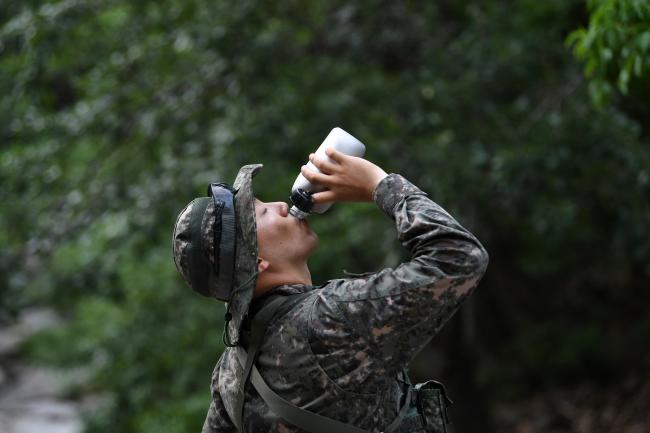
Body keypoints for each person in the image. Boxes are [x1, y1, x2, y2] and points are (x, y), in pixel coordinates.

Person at [172, 147, 489, 433]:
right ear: (257, 262)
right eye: (264, 212)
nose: (281, 205)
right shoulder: (327, 320)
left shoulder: (231, 370)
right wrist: (379, 184)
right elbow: (460, 258)